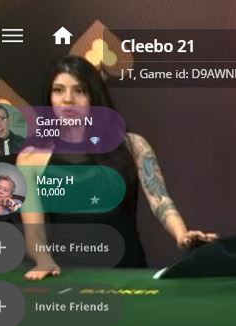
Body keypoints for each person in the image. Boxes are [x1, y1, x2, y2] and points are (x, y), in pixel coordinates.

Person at [17, 56, 216, 280]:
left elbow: (159, 199)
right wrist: (43, 260)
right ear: (49, 97)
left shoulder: (133, 145)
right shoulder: (31, 159)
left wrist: (182, 234)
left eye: (79, 90)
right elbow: (33, 232)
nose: (68, 100)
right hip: (69, 277)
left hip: (128, 275)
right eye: (58, 90)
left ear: (93, 96)